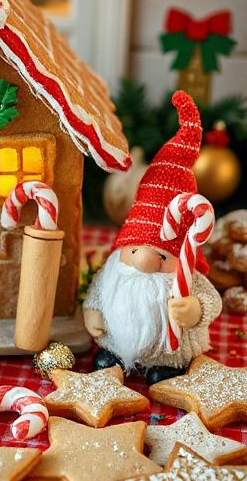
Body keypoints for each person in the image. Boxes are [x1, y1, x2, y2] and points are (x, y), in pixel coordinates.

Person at [83, 91, 222, 386]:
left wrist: (196, 310)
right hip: (116, 344)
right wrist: (92, 311)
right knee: (108, 359)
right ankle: (117, 356)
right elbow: (97, 291)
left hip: (169, 353)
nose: (145, 262)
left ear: (182, 255)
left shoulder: (188, 276)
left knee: (165, 373)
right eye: (135, 250)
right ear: (124, 244)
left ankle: (166, 368)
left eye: (162, 256)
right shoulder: (113, 267)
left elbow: (212, 301)